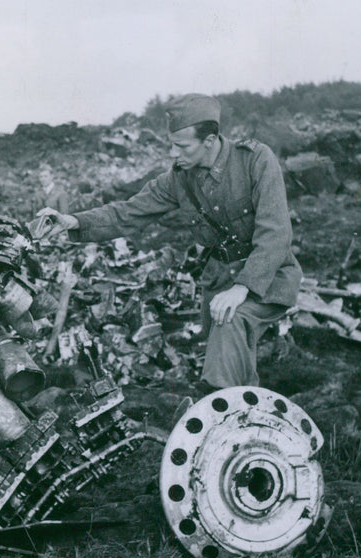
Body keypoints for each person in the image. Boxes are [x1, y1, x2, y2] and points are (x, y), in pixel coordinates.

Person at [37, 93, 301, 391]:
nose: (173, 154)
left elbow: (275, 232)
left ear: (210, 140)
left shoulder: (255, 160)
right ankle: (248, 417)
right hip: (219, 282)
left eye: (182, 146)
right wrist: (74, 221)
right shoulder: (180, 178)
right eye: (171, 145)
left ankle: (216, 413)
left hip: (267, 278)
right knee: (234, 357)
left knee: (230, 325)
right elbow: (128, 212)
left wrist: (242, 288)